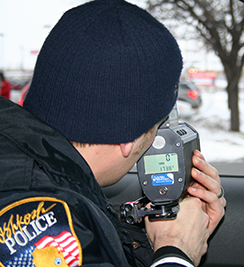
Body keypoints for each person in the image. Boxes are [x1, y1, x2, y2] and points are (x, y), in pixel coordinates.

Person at [0, 0, 226, 267]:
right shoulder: (42, 223)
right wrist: (177, 250)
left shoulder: (31, 170)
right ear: (128, 140)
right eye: (158, 125)